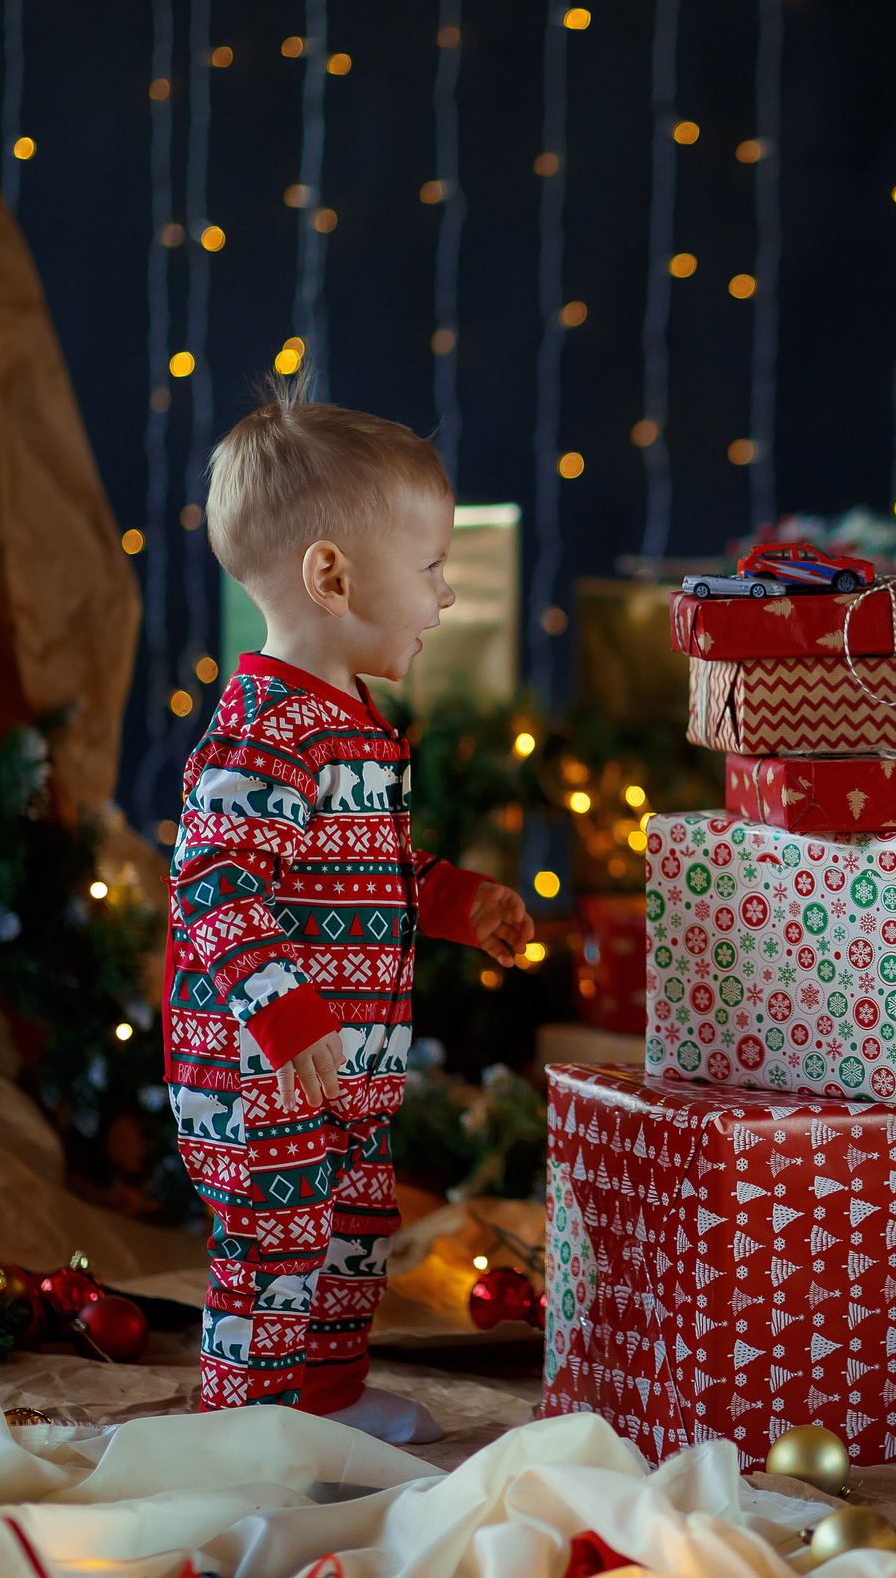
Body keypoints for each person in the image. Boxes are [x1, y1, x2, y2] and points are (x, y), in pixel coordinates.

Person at [165, 387, 531, 1441]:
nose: (446, 596)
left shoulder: (350, 726)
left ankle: (322, 1409)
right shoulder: (267, 730)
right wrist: (282, 1012)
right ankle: (243, 1430)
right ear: (331, 576)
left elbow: (361, 866)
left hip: (347, 1067)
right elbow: (214, 877)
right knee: (275, 1258)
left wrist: (457, 899)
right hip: (264, 1069)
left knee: (354, 1239)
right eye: (429, 571)